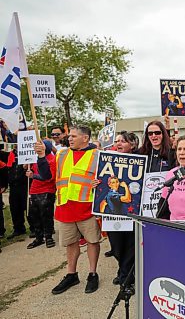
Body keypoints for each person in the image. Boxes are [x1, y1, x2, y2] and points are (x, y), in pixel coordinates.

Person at [42, 125, 100, 295]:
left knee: (92, 241)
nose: (70, 139)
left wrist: (100, 183)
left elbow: (109, 178)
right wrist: (40, 156)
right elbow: (49, 174)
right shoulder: (61, 154)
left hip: (86, 207)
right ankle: (71, 274)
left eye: (74, 136)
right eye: (70, 136)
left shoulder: (97, 155)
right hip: (65, 207)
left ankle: (92, 273)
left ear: (85, 138)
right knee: (70, 243)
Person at [104, 132, 139, 287]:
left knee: (131, 246)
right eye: (117, 141)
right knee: (117, 247)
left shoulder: (140, 161)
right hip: (113, 217)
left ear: (132, 145)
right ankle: (124, 270)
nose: (119, 144)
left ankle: (126, 277)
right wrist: (96, 184)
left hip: (131, 214)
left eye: (123, 141)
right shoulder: (107, 162)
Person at [26, 140, 57, 249]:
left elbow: (49, 178)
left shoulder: (52, 160)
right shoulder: (37, 159)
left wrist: (33, 176)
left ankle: (48, 237)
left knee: (46, 215)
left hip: (47, 191)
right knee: (34, 215)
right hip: (34, 191)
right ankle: (39, 237)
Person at [6, 147, 29, 239]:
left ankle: (34, 228)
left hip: (24, 185)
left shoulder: (28, 154)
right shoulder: (10, 155)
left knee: (28, 207)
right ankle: (18, 228)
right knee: (15, 208)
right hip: (13, 186)